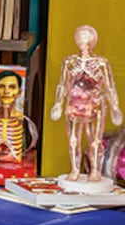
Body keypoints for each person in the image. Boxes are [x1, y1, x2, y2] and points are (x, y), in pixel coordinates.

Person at [50, 24, 122, 182]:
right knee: (73, 139)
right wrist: (58, 104)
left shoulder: (101, 62)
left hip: (95, 104)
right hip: (73, 104)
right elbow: (62, 84)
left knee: (94, 140)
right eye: (80, 36)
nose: (83, 40)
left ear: (92, 40)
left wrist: (115, 107)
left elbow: (110, 86)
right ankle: (75, 170)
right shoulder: (69, 61)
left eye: (86, 36)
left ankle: (95, 170)